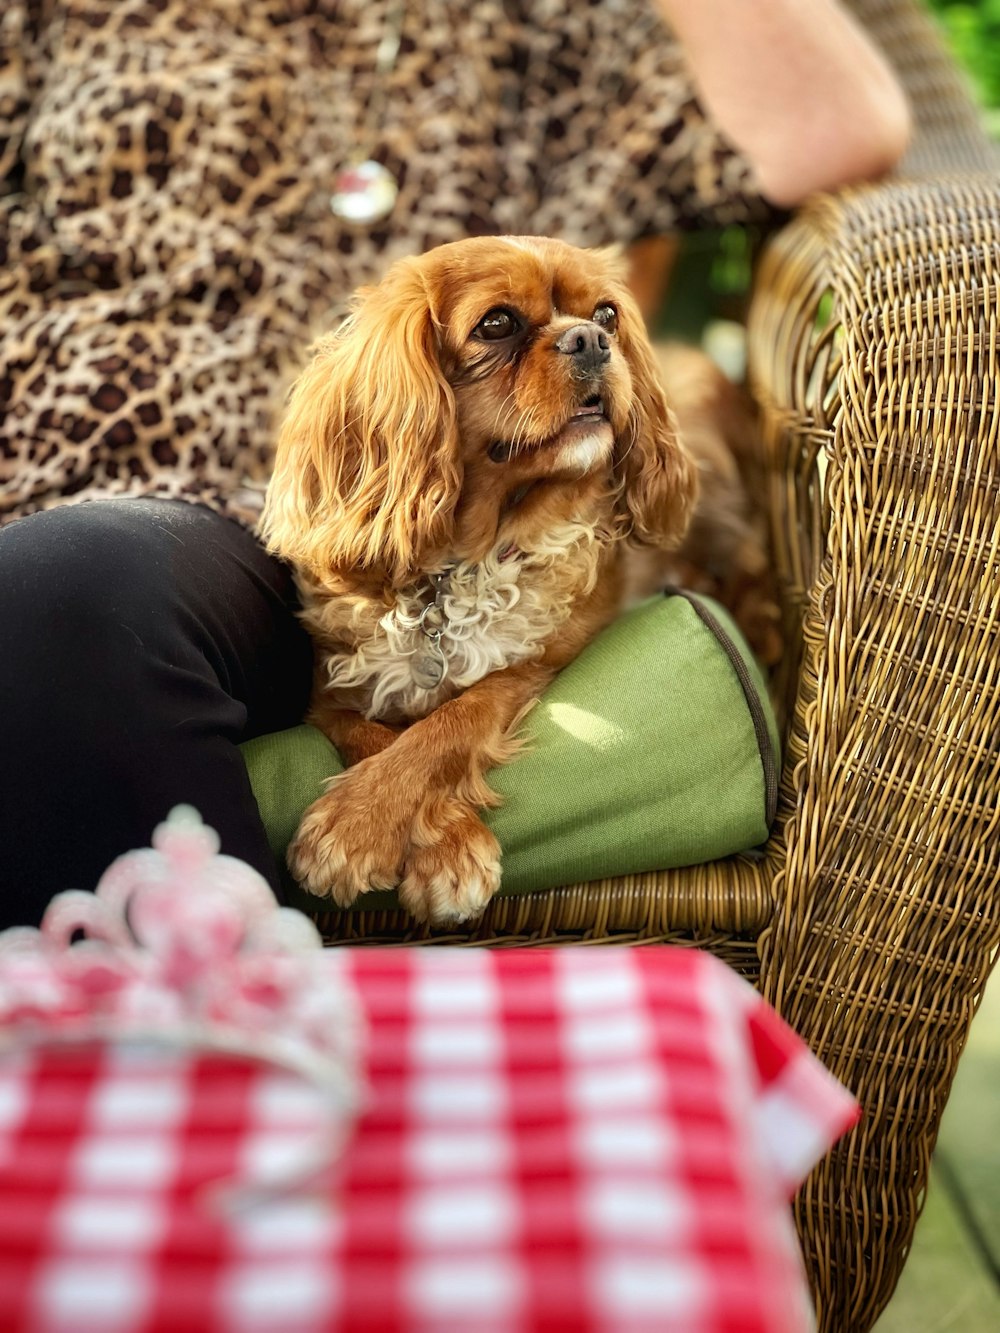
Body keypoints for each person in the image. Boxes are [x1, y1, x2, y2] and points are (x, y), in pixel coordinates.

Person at [0, 0, 910, 926]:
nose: (584, 344)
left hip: (232, 549)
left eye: (594, 325)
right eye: (504, 326)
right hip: (119, 492)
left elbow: (839, 129)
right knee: (48, 580)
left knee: (69, 590)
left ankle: (206, 1028)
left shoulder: (545, 26)